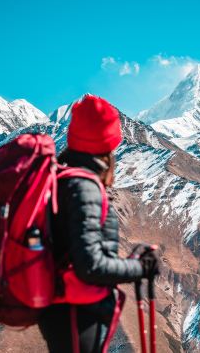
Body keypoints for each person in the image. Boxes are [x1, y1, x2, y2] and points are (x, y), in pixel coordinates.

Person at [38, 95, 160, 353]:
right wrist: (139, 268)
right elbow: (90, 266)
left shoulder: (65, 178)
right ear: (106, 146)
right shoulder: (84, 188)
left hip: (64, 312)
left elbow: (81, 251)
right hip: (77, 313)